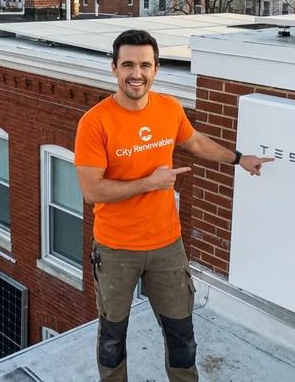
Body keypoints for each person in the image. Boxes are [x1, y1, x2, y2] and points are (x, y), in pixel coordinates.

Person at [74, 29, 273, 382]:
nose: (137, 73)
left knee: (182, 336)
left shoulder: (169, 109)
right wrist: (149, 184)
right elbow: (92, 190)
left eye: (145, 65)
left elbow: (195, 142)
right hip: (116, 249)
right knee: (112, 339)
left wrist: (239, 158)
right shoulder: (95, 122)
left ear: (157, 68)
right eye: (128, 65)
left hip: (167, 246)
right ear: (114, 68)